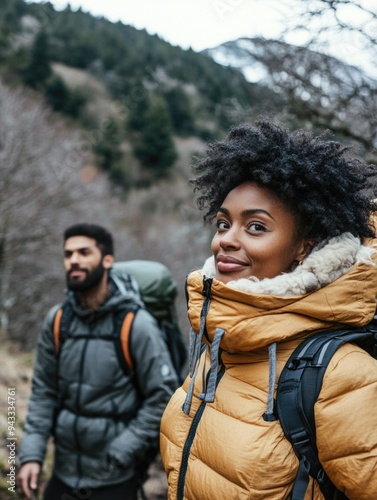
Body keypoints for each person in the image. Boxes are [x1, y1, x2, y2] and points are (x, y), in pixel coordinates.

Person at [160, 119, 377, 499]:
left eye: (256, 227)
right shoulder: (223, 339)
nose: (226, 240)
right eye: (224, 223)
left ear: (304, 246)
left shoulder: (343, 375)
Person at [18, 223, 178, 500]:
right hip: (63, 472)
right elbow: (44, 392)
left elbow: (162, 396)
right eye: (68, 254)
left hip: (114, 479)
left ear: (107, 260)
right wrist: (31, 454)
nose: (74, 260)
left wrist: (121, 452)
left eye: (83, 252)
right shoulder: (57, 321)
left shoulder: (136, 325)